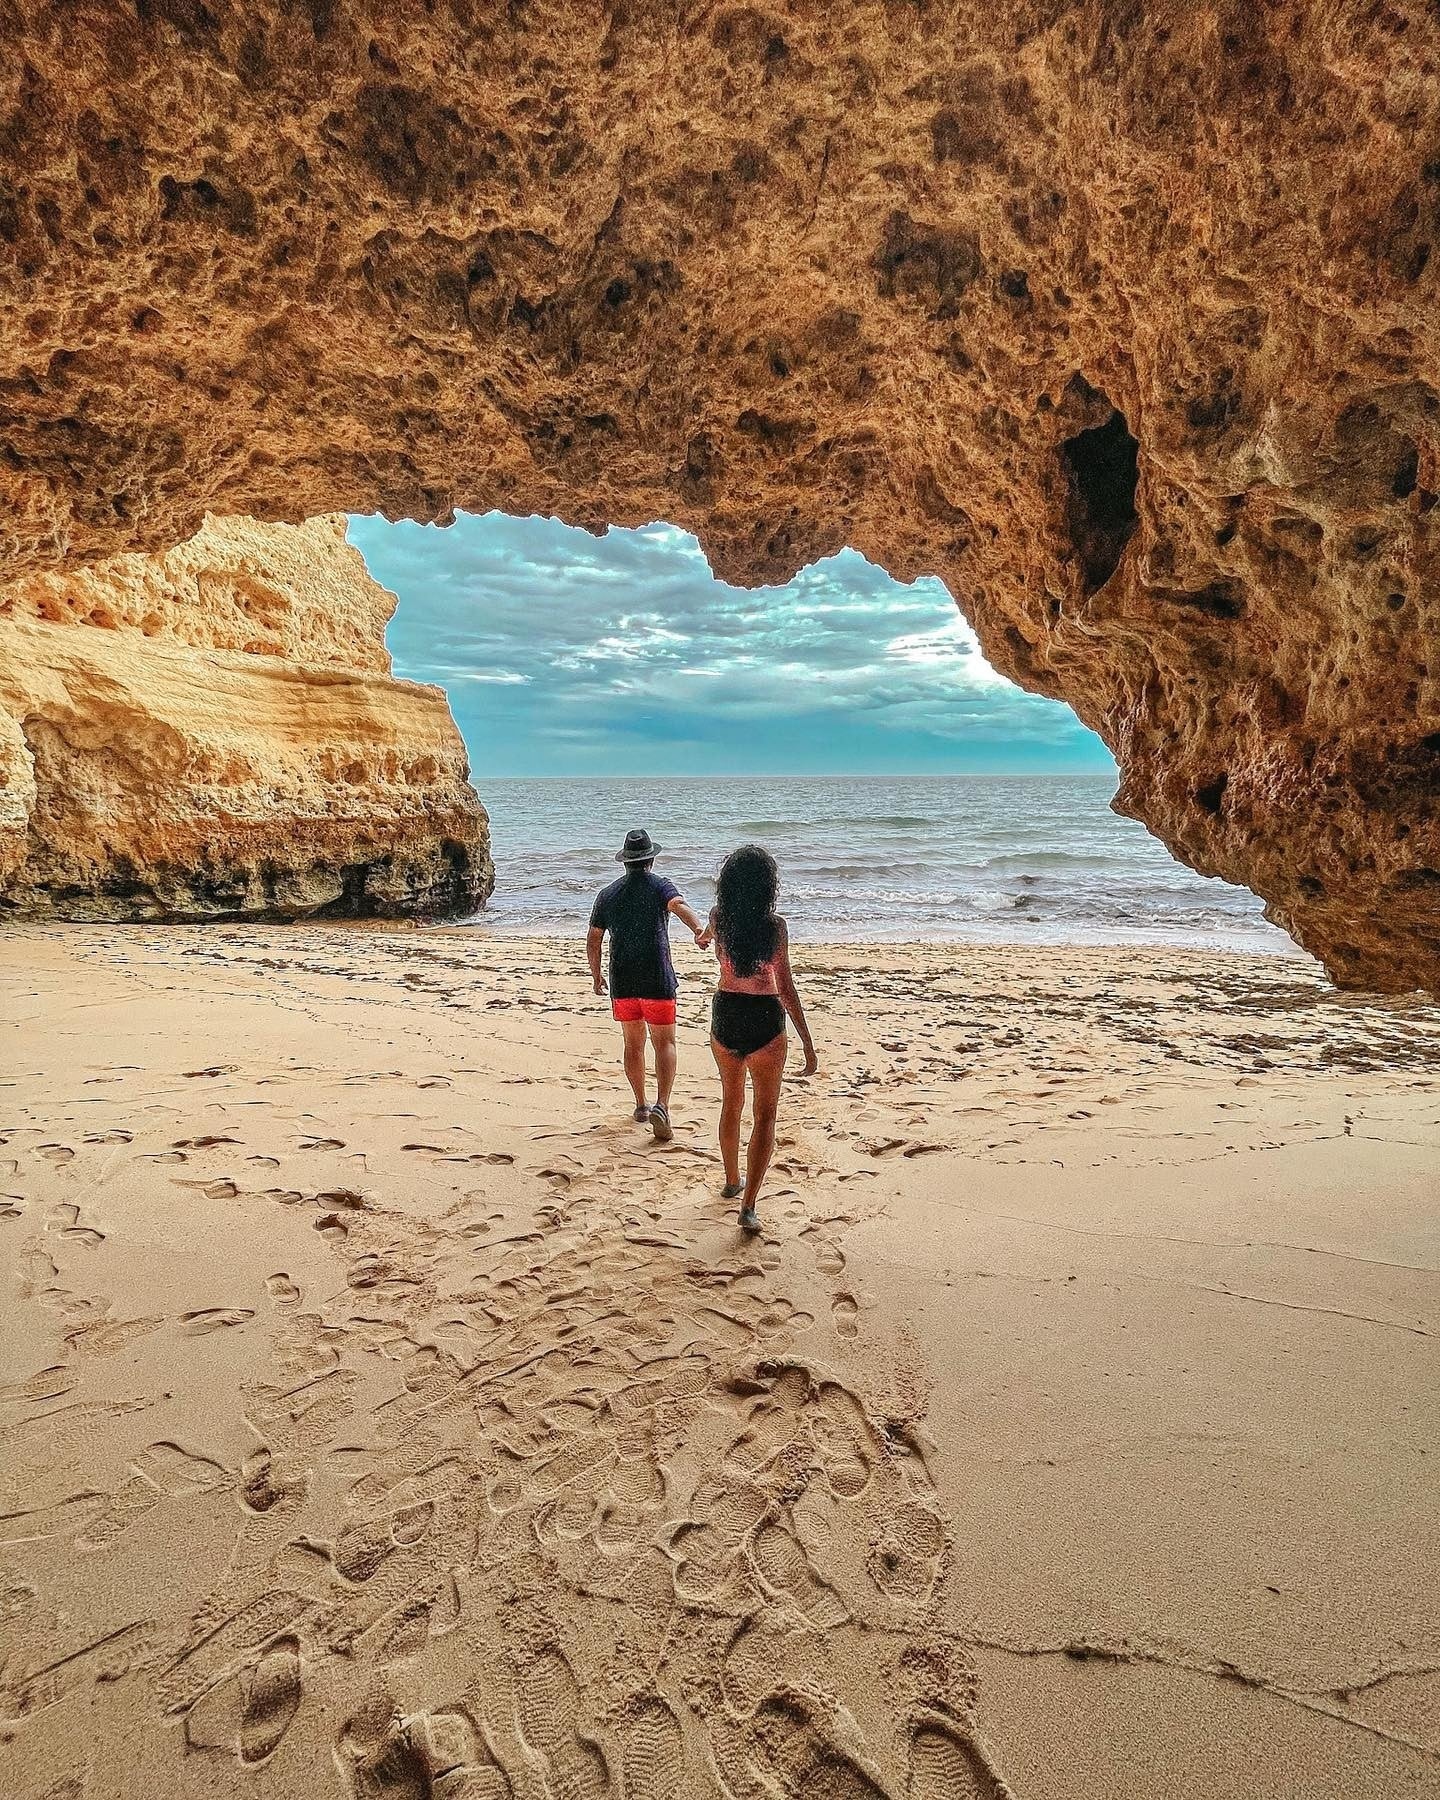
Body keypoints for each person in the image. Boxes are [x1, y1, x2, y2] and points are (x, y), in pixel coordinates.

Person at [699, 845, 817, 1233]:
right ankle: (748, 1205)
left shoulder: (720, 917)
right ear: (769, 886)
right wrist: (807, 1041)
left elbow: (704, 937)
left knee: (731, 1101)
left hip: (726, 1013)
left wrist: (703, 936)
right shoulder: (775, 927)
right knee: (765, 1114)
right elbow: (785, 986)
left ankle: (731, 1179)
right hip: (764, 1018)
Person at [587, 828, 707, 1141]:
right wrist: (698, 930)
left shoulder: (608, 894)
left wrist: (596, 974)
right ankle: (662, 1105)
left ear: (625, 862)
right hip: (657, 979)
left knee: (632, 1044)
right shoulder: (660, 886)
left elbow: (594, 937)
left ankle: (640, 1105)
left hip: (623, 981)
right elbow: (679, 907)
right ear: (650, 860)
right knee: (664, 1043)